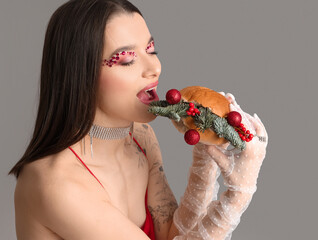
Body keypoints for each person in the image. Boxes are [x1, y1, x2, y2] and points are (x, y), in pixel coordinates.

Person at [8, 0, 268, 240]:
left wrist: (205, 160)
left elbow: (170, 233)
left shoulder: (140, 137)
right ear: (81, 75)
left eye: (151, 49)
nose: (154, 68)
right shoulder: (56, 184)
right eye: (128, 60)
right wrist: (236, 198)